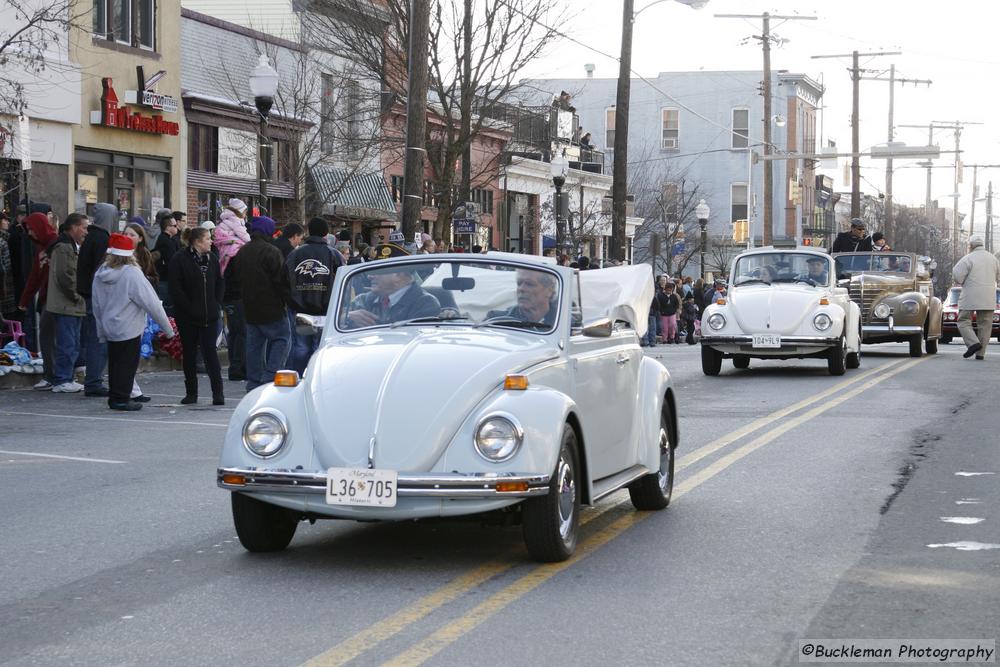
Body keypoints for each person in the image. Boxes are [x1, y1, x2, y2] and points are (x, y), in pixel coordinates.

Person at [92, 234, 174, 411]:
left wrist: (100, 329)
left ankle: (115, 396)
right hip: (129, 326)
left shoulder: (100, 273)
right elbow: (151, 301)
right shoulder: (131, 273)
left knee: (114, 363)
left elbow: (96, 303)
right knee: (127, 364)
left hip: (109, 325)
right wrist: (168, 328)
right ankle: (122, 398)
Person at [229, 215, 289, 391]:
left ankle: (254, 381)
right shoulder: (272, 252)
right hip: (272, 306)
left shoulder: (243, 251)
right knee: (282, 339)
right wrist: (287, 300)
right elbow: (282, 281)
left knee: (254, 345)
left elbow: (233, 277)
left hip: (249, 305)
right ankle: (270, 375)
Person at [168, 226, 225, 404]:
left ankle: (218, 394)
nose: (211, 241)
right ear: (198, 241)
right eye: (208, 238)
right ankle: (191, 393)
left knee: (211, 355)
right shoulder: (180, 259)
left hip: (210, 316)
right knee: (190, 354)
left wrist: (216, 304)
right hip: (188, 317)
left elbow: (219, 283)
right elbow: (176, 289)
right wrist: (189, 308)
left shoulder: (212, 259)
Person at [286, 218, 345, 373]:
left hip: (300, 309)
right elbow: (344, 280)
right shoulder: (333, 254)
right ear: (326, 233)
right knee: (322, 348)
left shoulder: (296, 254)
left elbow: (286, 279)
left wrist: (293, 301)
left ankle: (298, 378)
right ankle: (318, 377)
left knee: (301, 348)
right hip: (327, 310)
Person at [76, 202, 118, 397]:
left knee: (92, 337)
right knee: (98, 339)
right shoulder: (101, 239)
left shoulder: (90, 237)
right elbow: (103, 271)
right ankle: (94, 381)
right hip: (97, 296)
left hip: (88, 294)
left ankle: (92, 379)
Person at [46, 213, 90, 393]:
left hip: (70, 304)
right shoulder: (64, 247)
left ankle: (66, 377)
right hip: (66, 305)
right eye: (84, 227)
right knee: (68, 343)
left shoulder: (69, 245)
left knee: (72, 342)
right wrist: (78, 296)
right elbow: (66, 276)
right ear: (74, 227)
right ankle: (62, 379)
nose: (86, 232)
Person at [17, 213, 58, 388]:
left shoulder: (55, 244)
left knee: (51, 338)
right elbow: (35, 276)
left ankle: (55, 376)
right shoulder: (41, 248)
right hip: (46, 298)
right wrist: (25, 300)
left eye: (32, 229)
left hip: (54, 298)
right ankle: (53, 375)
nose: (31, 234)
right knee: (48, 339)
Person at [345, 264, 441, 329]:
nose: (370, 276)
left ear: (398, 275)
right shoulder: (363, 300)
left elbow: (411, 338)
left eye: (378, 271)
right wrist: (347, 318)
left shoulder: (425, 303)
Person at [952, 235, 1000, 360]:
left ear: (971, 245)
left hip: (970, 297)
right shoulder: (993, 259)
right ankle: (980, 354)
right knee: (985, 325)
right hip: (988, 298)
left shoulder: (968, 258)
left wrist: (962, 281)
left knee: (963, 321)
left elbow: (957, 275)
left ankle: (973, 343)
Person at [484, 269, 558, 327]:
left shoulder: (562, 323)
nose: (521, 289)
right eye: (519, 283)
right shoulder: (496, 320)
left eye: (529, 284)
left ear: (549, 290)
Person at [213, 198, 251, 273]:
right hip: (230, 242)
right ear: (240, 211)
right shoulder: (236, 219)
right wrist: (250, 240)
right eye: (245, 212)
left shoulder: (229, 217)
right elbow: (242, 233)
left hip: (225, 242)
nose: (245, 214)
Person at [152, 212, 180, 308]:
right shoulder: (166, 241)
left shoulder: (169, 240)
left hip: (165, 279)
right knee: (167, 307)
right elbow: (172, 262)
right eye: (175, 225)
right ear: (168, 227)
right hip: (165, 280)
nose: (177, 227)